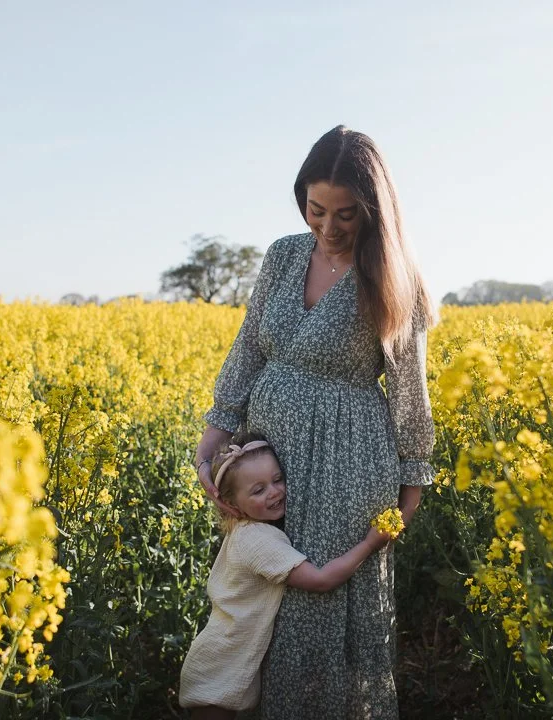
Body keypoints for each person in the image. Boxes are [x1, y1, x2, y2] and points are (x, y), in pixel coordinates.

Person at [194, 125, 436, 719]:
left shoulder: (394, 276)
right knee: (265, 594)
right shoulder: (283, 255)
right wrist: (216, 432)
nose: (329, 227)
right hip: (268, 455)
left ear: (374, 210)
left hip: (345, 462)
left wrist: (411, 486)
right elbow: (249, 346)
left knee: (319, 606)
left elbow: (410, 390)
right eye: (315, 209)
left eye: (346, 214)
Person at [179, 433, 391, 719]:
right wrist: (369, 544)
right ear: (232, 504)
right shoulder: (257, 540)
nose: (275, 492)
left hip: (224, 657)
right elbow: (321, 580)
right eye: (258, 490)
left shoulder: (249, 529)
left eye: (278, 480)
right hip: (220, 668)